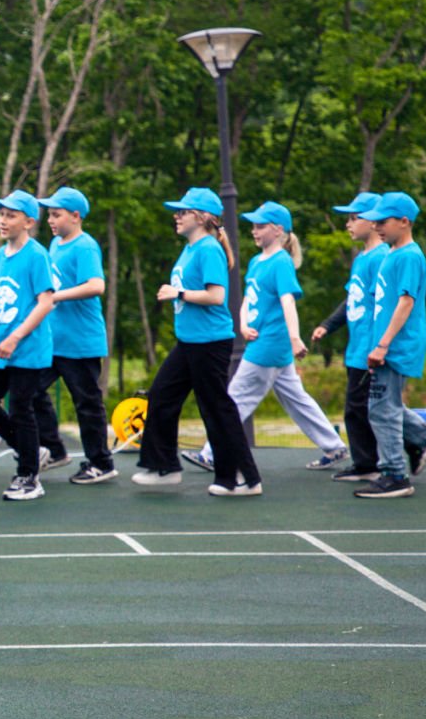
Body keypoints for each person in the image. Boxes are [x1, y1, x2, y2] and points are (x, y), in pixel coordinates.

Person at [185, 201, 346, 472]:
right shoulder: (256, 261)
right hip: (262, 341)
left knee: (236, 397)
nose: (254, 231)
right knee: (296, 398)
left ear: (278, 230)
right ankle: (334, 446)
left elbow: (288, 302)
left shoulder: (281, 262)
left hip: (270, 344)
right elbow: (249, 298)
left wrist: (295, 338)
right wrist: (243, 324)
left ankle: (212, 454)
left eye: (260, 226)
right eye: (253, 226)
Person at [131, 187, 261, 496]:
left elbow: (216, 296)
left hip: (210, 343)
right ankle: (164, 467)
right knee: (162, 395)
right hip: (189, 342)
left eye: (183, 212)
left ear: (202, 218)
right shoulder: (190, 249)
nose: (176, 217)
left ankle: (243, 478)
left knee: (216, 409)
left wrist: (178, 293)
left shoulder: (208, 249)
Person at [353, 192, 426, 497]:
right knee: (388, 407)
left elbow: (406, 302)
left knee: (382, 411)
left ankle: (395, 474)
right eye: (374, 221)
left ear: (404, 222)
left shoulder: (409, 256)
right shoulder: (391, 254)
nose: (377, 227)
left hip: (397, 345)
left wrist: (383, 345)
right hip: (386, 344)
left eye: (383, 222)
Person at [0, 190, 58, 501]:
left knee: (21, 409)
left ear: (29, 222)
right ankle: (29, 450)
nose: (3, 220)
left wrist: (15, 337)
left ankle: (29, 476)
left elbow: (46, 302)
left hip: (28, 348)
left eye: (11, 215)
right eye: (1, 214)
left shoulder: (36, 255)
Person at [40, 186, 116, 484]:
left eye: (56, 215)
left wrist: (55, 296)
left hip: (81, 342)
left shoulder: (84, 246)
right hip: (54, 342)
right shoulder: (55, 244)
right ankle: (55, 450)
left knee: (87, 404)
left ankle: (101, 463)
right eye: (49, 215)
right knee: (30, 391)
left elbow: (96, 285)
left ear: (75, 216)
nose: (50, 220)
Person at [311, 193, 387, 481]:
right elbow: (351, 299)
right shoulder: (361, 258)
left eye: (354, 218)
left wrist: (379, 346)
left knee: (364, 408)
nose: (348, 224)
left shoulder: (380, 257)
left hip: (370, 347)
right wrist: (328, 325)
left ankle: (372, 464)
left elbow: (385, 305)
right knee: (358, 408)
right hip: (356, 348)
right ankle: (365, 462)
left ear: (373, 221)